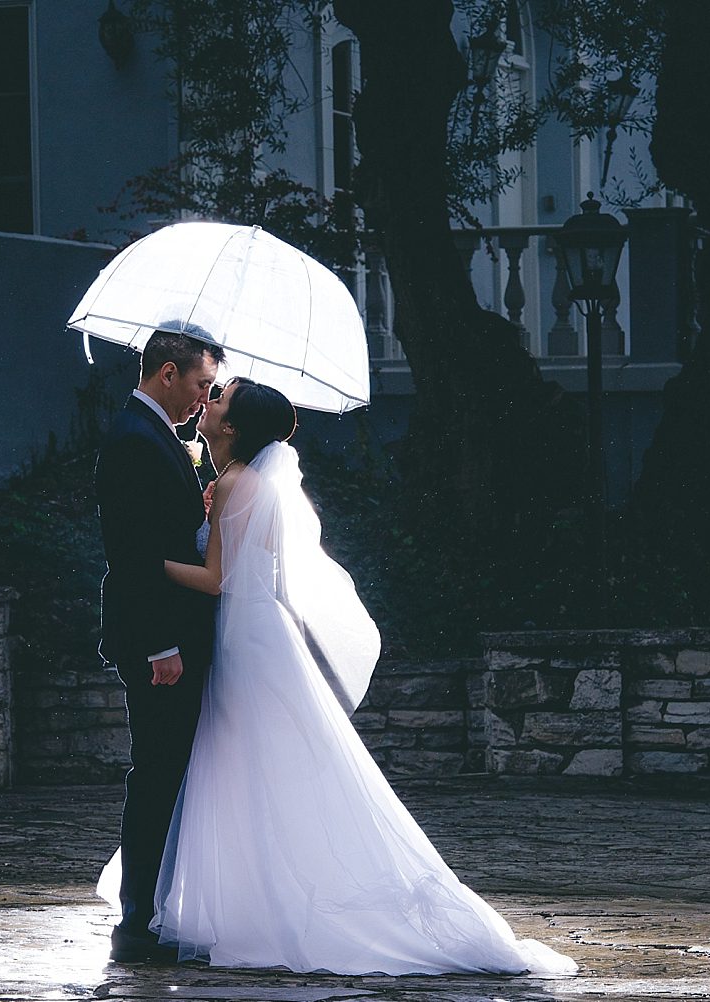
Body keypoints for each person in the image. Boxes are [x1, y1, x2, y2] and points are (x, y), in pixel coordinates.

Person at [145, 376, 580, 977]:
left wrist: (150, 564)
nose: (210, 400)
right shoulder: (254, 487)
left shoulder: (230, 484)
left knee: (239, 763)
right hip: (266, 634)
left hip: (241, 639)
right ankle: (274, 897)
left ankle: (251, 904)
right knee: (273, 763)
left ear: (232, 428)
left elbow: (216, 579)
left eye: (219, 400)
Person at [94, 329, 224, 964]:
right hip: (160, 645)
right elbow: (134, 557)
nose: (205, 399)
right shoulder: (132, 442)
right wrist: (159, 647)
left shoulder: (161, 439)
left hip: (172, 636)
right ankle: (135, 922)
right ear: (167, 374)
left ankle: (151, 910)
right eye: (202, 386)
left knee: (167, 772)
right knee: (156, 776)